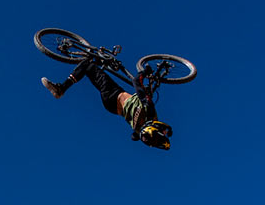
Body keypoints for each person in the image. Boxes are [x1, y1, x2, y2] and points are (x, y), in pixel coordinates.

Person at [42, 57, 173, 149]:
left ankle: (61, 89)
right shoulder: (138, 131)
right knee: (92, 73)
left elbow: (136, 81)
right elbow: (134, 137)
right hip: (111, 107)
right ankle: (97, 64)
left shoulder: (148, 106)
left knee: (87, 65)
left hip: (114, 95)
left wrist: (145, 72)